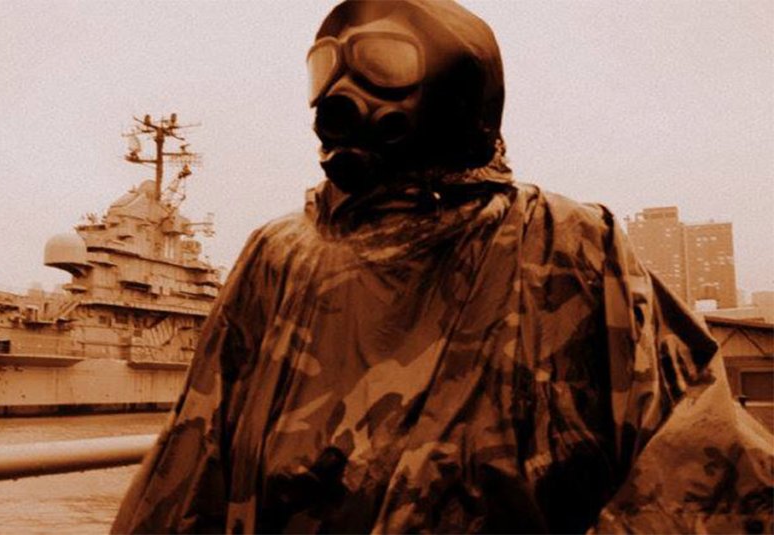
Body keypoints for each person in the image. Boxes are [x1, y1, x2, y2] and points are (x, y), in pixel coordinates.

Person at [113, 1, 773, 532]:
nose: (336, 94)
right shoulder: (278, 256)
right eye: (324, 68)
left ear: (462, 90)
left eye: (382, 64)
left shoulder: (567, 244)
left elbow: (705, 456)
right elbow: (188, 471)